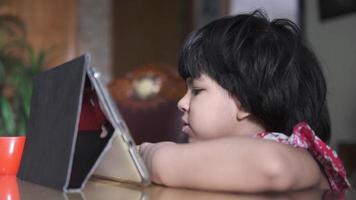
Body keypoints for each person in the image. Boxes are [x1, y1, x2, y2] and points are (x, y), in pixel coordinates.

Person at [139, 10, 352, 192]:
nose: (182, 102)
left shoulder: (296, 155)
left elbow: (273, 166)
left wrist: (153, 155)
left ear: (243, 102)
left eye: (196, 90)